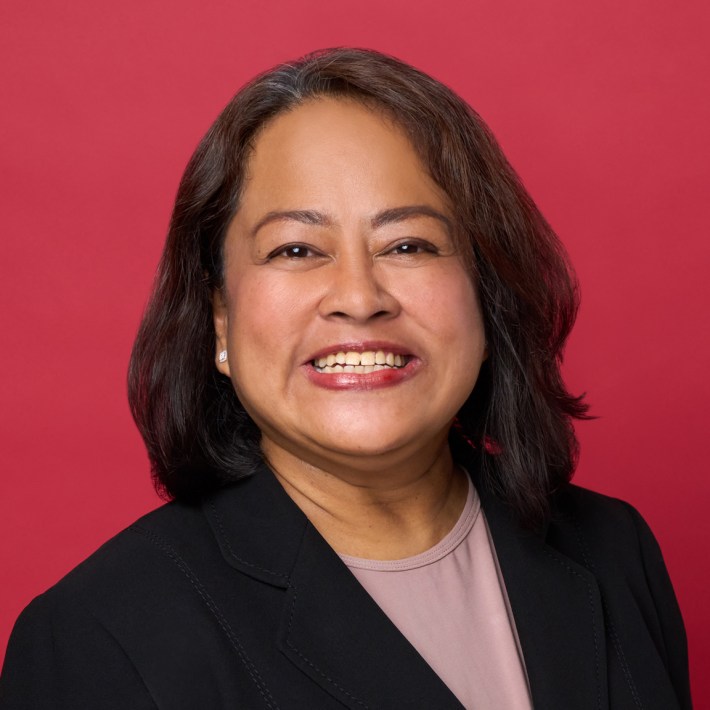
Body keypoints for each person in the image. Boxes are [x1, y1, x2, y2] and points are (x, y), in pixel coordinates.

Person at [0, 48, 691, 709]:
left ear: (487, 296)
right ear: (220, 322)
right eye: (297, 249)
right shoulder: (98, 640)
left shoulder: (612, 551)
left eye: (408, 244)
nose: (359, 298)